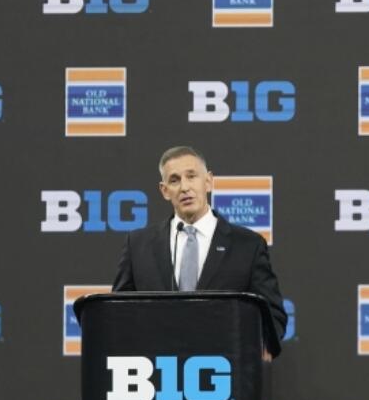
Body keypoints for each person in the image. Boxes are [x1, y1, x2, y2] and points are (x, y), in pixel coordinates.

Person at [112, 145, 287, 354]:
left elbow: (273, 314)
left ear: (208, 181)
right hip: (155, 370)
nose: (184, 187)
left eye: (191, 176)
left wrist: (262, 348)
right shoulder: (138, 244)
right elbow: (117, 312)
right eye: (175, 180)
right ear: (164, 191)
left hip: (225, 370)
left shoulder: (247, 246)